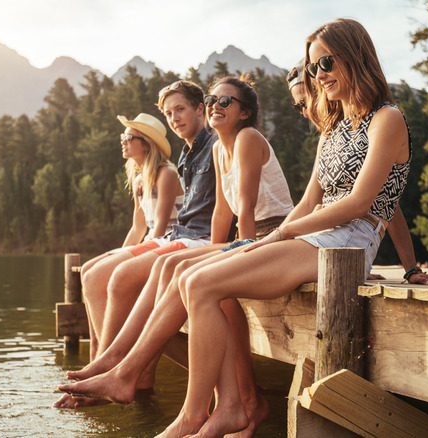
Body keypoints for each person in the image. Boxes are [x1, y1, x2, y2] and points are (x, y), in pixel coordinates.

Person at [150, 18, 428, 437]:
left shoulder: (387, 120)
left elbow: (359, 203)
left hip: (351, 240)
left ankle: (193, 417)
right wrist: (265, 240)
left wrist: (281, 234)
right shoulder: (332, 129)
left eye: (328, 63)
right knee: (193, 279)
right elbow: (307, 202)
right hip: (316, 235)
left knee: (203, 285)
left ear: (357, 56)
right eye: (314, 68)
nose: (320, 75)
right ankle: (227, 407)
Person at [56, 77, 292, 436]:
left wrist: (225, 257)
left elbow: (245, 213)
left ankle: (126, 369)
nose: (216, 105)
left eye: (224, 102)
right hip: (245, 238)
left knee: (176, 268)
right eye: (213, 99)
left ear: (244, 113)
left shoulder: (246, 138)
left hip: (265, 236)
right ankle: (121, 366)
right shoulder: (216, 149)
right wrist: (216, 254)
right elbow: (220, 216)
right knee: (173, 266)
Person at [287, 60, 428, 286]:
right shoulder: (333, 133)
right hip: (323, 241)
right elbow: (309, 202)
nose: (305, 112)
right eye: (297, 106)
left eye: (305, 101)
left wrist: (410, 268)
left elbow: (388, 204)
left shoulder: (370, 125)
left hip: (340, 243)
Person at [79, 113, 183, 361]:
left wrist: (126, 263)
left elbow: (159, 228)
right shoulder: (139, 179)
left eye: (128, 137)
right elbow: (138, 228)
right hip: (153, 240)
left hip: (171, 241)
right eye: (122, 136)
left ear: (146, 143)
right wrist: (119, 256)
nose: (122, 141)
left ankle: (109, 358)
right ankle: (97, 352)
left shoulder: (166, 173)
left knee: (96, 275)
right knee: (88, 270)